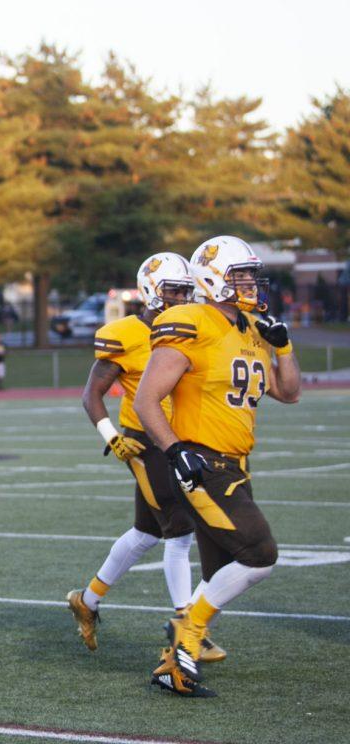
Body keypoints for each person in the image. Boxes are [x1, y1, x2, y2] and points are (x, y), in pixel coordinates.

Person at [134, 235, 300, 698]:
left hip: (237, 462)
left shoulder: (250, 327)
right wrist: (174, 450)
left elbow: (289, 392)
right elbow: (147, 399)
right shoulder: (190, 320)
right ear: (211, 278)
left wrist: (283, 347)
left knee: (219, 570)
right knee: (259, 554)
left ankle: (177, 663)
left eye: (251, 274)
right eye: (240, 275)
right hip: (202, 459)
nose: (250, 283)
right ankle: (185, 636)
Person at [67, 253, 224, 660]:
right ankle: (187, 628)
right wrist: (112, 436)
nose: (180, 297)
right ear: (152, 289)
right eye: (173, 289)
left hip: (182, 439)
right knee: (180, 531)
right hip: (143, 442)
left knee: (145, 533)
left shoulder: (191, 328)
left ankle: (87, 600)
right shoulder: (126, 334)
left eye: (185, 290)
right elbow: (91, 396)